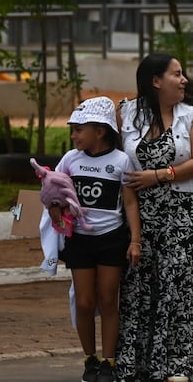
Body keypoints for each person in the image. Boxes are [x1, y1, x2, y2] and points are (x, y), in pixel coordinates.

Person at [44, 96, 141, 382]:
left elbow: (131, 204)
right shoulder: (70, 160)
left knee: (109, 299)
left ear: (100, 130)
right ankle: (90, 359)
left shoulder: (121, 160)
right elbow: (53, 193)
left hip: (112, 239)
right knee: (84, 302)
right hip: (81, 242)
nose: (73, 135)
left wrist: (135, 240)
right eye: (72, 129)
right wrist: (54, 209)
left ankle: (109, 362)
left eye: (79, 129)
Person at [116, 53, 193, 382]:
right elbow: (116, 158)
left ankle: (178, 365)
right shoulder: (127, 112)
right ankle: (138, 364)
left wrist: (160, 175)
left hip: (180, 215)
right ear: (156, 81)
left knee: (177, 287)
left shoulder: (189, 115)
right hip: (138, 216)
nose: (184, 79)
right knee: (139, 287)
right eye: (177, 74)